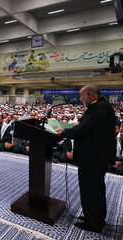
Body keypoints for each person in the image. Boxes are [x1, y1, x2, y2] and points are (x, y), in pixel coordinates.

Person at [56, 85, 116, 233]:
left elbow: (83, 129)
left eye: (82, 96)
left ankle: (94, 223)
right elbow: (88, 126)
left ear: (90, 95)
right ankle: (94, 217)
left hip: (92, 157)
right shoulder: (102, 106)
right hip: (95, 156)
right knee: (95, 189)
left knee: (92, 190)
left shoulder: (98, 108)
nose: (80, 99)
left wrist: (64, 132)